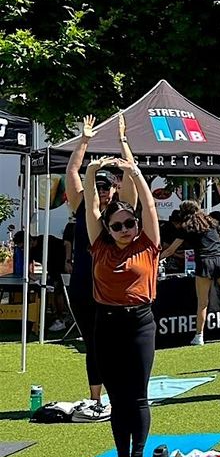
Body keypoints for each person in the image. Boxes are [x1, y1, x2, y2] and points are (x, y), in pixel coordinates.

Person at [81, 115, 160, 457]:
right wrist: (89, 164)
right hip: (106, 322)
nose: (125, 229)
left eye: (129, 223)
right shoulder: (100, 245)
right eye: (118, 226)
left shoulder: (147, 244)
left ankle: (139, 455)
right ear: (108, 230)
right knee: (116, 395)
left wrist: (136, 172)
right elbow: (90, 206)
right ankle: (121, 456)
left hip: (140, 322)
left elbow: (150, 206)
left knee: (137, 393)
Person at [64, 114, 134, 418]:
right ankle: (95, 398)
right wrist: (85, 140)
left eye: (107, 187)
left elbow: (132, 178)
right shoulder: (82, 207)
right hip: (83, 285)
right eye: (99, 186)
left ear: (114, 189)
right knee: (93, 343)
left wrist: (123, 145)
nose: (103, 191)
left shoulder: (122, 213)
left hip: (115, 286)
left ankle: (122, 391)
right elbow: (72, 171)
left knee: (118, 342)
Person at [162, 200, 220, 345]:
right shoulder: (212, 222)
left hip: (204, 263)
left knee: (202, 302)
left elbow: (171, 250)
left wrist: (157, 259)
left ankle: (199, 336)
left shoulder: (186, 227)